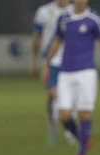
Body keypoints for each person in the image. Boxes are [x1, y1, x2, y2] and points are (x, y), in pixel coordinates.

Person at [42, 0, 100, 155]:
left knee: (84, 114)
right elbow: (56, 41)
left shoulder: (94, 20)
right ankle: (84, 140)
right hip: (65, 72)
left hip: (86, 72)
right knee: (64, 115)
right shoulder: (63, 19)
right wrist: (47, 65)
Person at [30, 0, 76, 146]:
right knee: (53, 94)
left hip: (71, 57)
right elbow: (37, 37)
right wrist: (34, 60)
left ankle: (70, 132)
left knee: (71, 95)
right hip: (51, 58)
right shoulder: (43, 11)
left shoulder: (75, 10)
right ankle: (53, 129)